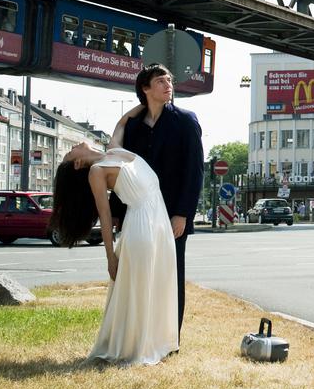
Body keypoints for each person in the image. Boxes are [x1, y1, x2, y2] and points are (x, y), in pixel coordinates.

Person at [52, 138, 178, 367]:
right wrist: (110, 258)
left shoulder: (113, 151)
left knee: (155, 285)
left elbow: (123, 122)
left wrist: (142, 108)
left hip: (159, 226)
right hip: (141, 228)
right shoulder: (96, 172)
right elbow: (105, 217)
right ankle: (133, 348)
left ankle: (152, 344)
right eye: (69, 153)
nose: (72, 147)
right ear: (78, 163)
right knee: (138, 289)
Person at [109, 64, 204, 334]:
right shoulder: (134, 127)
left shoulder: (186, 121)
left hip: (173, 214)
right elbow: (122, 170)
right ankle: (144, 334)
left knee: (171, 275)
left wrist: (183, 213)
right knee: (141, 274)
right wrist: (116, 211)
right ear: (145, 88)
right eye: (161, 81)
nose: (168, 85)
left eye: (169, 80)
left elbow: (195, 171)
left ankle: (170, 337)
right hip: (138, 211)